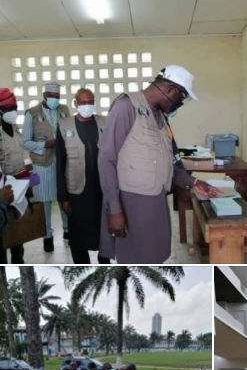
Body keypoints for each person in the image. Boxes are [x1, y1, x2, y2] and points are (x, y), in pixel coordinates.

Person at [98, 66, 220, 263]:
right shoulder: (126, 107)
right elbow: (106, 160)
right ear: (171, 90)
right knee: (135, 260)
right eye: (181, 98)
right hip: (131, 202)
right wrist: (114, 209)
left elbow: (169, 160)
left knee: (156, 256)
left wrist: (194, 182)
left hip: (156, 200)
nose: (179, 104)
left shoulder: (160, 116)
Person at [56, 88, 110, 264]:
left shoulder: (104, 122)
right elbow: (60, 164)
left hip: (101, 189)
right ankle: (82, 265)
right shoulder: (64, 126)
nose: (87, 106)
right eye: (83, 102)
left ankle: (105, 265)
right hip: (77, 191)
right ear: (75, 103)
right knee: (78, 238)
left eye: (90, 102)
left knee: (103, 233)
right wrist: (63, 196)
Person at [22, 81, 69, 251]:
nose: (55, 100)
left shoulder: (64, 110)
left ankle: (67, 231)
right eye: (52, 97)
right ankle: (47, 236)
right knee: (45, 202)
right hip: (42, 164)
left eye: (57, 97)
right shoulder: (32, 113)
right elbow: (26, 142)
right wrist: (44, 145)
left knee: (63, 197)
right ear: (44, 96)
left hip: (62, 162)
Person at [0, 88, 24, 262]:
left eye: (14, 107)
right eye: (8, 109)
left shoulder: (15, 128)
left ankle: (18, 259)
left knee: (18, 238)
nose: (12, 112)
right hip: (3, 194)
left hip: (19, 190)